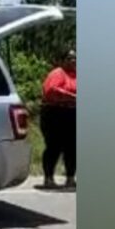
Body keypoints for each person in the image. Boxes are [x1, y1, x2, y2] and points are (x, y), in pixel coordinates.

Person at [39, 49, 77, 189]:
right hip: (54, 113)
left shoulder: (76, 75)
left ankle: (70, 178)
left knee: (72, 147)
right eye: (69, 58)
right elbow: (52, 90)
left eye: (75, 58)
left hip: (72, 113)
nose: (73, 61)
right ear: (62, 60)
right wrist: (72, 97)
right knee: (54, 146)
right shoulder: (58, 73)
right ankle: (48, 178)